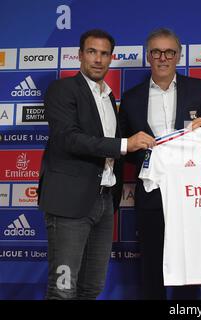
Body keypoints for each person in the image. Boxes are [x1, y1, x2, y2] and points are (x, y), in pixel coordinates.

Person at [38, 29, 153, 299]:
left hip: (104, 202)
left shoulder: (109, 97)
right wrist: (125, 144)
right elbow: (69, 139)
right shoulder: (62, 89)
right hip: (68, 203)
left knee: (92, 288)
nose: (98, 59)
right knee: (63, 289)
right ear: (80, 55)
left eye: (104, 54)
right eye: (92, 52)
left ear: (111, 57)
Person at [119, 28, 201, 299]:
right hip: (152, 194)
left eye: (169, 52)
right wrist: (142, 150)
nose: (163, 58)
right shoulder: (131, 98)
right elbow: (124, 147)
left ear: (179, 55)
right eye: (156, 51)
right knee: (152, 264)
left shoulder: (199, 89)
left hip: (194, 193)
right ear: (148, 56)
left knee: (193, 263)